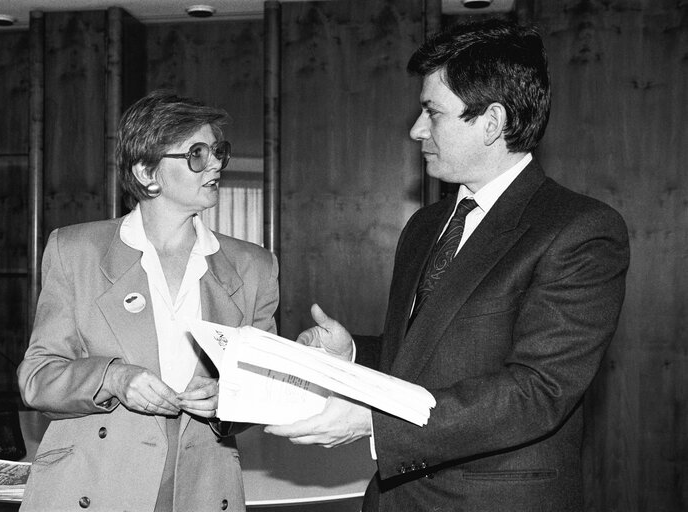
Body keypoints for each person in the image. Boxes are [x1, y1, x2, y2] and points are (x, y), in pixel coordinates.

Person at [265, 18, 629, 512]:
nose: (416, 130)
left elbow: (537, 391)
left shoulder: (579, 229)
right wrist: (352, 352)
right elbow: (420, 358)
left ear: (492, 123)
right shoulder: (425, 226)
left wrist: (371, 424)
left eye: (431, 112)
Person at [17, 90, 279, 512]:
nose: (214, 164)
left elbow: (266, 388)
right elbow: (37, 377)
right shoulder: (75, 250)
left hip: (203, 490)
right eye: (196, 153)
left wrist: (225, 397)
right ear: (146, 172)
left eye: (218, 151)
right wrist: (113, 378)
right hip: (91, 486)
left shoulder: (254, 267)